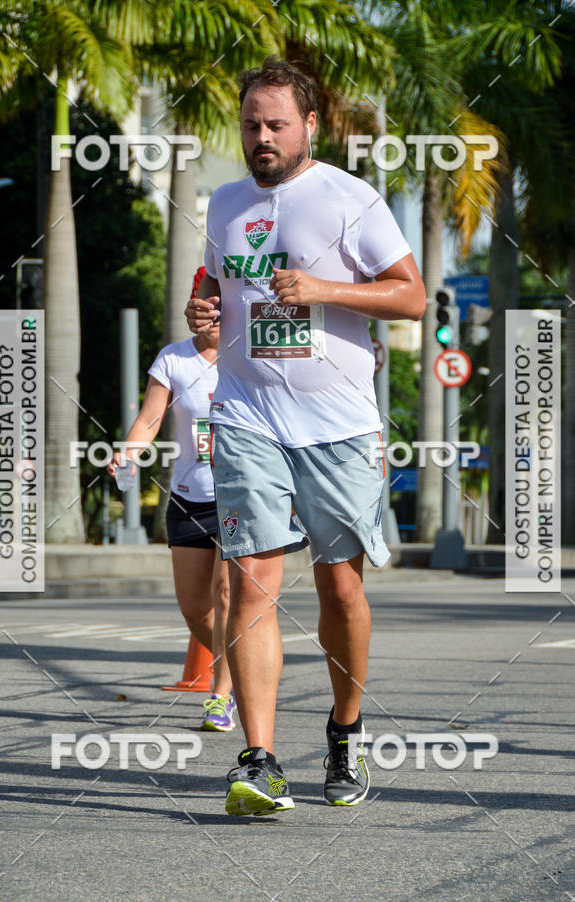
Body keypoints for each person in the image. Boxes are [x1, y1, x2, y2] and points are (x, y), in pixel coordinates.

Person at [185, 57, 426, 815]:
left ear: (310, 125)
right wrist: (203, 313)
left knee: (340, 586)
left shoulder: (350, 200)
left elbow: (412, 297)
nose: (261, 137)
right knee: (251, 581)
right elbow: (213, 283)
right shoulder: (223, 204)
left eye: (276, 124)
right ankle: (257, 760)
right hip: (247, 416)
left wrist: (323, 288)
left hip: (339, 427)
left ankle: (345, 732)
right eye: (251, 123)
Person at [109, 268, 235, 732]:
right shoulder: (173, 359)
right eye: (203, 303)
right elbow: (149, 419)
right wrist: (127, 451)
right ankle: (240, 664)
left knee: (226, 594)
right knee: (194, 608)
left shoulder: (250, 357)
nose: (212, 313)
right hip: (188, 496)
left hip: (238, 496)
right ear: (192, 307)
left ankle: (221, 695)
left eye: (220, 304)